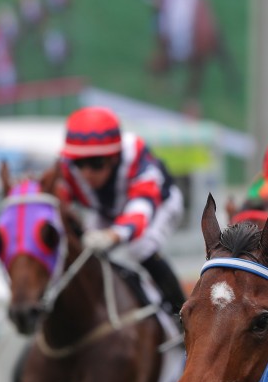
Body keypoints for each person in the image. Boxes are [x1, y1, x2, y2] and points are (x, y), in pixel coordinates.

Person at [58, 105, 187, 316]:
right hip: (109, 211)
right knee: (85, 253)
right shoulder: (66, 168)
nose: (86, 173)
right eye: (79, 163)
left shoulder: (136, 158)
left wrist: (113, 235)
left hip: (160, 205)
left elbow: (141, 211)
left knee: (139, 246)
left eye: (96, 163)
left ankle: (179, 314)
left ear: (114, 158)